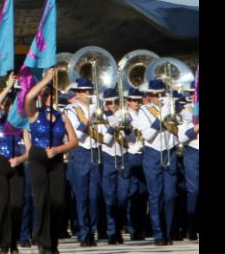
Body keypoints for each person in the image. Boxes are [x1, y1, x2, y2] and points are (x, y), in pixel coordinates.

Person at [25, 68, 79, 254]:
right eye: (45, 95)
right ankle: (43, 241)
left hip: (55, 160)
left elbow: (74, 141)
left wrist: (57, 149)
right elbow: (28, 97)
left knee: (58, 201)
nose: (48, 97)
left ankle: (53, 241)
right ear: (41, 96)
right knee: (42, 201)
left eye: (51, 94)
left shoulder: (61, 116)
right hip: (38, 159)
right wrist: (46, 79)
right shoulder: (34, 113)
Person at [133, 79, 179, 246]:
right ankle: (158, 233)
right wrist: (161, 115)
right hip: (153, 153)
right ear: (150, 96)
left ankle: (168, 232)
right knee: (155, 196)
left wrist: (172, 110)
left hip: (170, 152)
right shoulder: (144, 111)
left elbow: (179, 129)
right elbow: (148, 136)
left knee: (170, 195)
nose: (159, 98)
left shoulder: (171, 108)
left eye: (162, 94)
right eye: (156, 95)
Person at [0, 74, 31, 254]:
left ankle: (13, 241)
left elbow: (29, 151)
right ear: (5, 107)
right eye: (9, 106)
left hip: (16, 165)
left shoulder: (22, 127)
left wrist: (20, 160)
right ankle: (4, 244)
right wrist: (8, 88)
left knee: (17, 204)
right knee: (2, 205)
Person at [65, 78, 103, 246]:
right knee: (81, 197)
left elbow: (102, 135)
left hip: (94, 152)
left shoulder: (96, 109)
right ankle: (84, 232)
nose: (88, 94)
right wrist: (89, 116)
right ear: (78, 94)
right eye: (85, 91)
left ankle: (92, 231)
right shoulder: (71, 110)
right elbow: (77, 134)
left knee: (94, 196)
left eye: (90, 91)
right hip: (80, 153)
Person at [99, 89, 130, 245]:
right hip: (109, 157)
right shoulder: (100, 118)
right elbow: (105, 140)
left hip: (123, 156)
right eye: (110, 103)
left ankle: (119, 227)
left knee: (123, 198)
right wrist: (113, 125)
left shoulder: (125, 116)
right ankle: (112, 232)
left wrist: (125, 125)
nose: (114, 105)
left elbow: (132, 138)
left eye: (116, 102)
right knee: (110, 198)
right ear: (105, 104)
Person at [177, 82, 198, 241]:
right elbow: (182, 138)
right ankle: (191, 227)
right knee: (193, 191)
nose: (194, 95)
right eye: (193, 93)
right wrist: (195, 128)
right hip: (192, 152)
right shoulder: (186, 112)